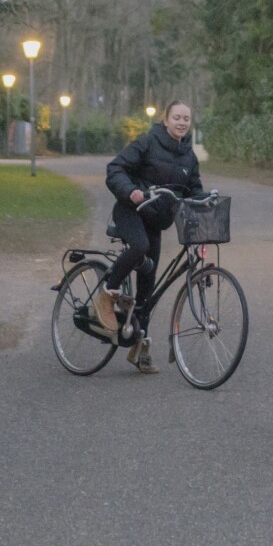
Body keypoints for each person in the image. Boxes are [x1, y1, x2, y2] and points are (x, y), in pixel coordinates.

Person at [100, 100, 206, 372]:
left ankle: (140, 346)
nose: (182, 122)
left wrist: (207, 201)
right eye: (177, 117)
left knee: (148, 288)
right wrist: (130, 191)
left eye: (186, 118)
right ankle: (106, 294)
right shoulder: (148, 142)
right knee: (139, 246)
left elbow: (194, 191)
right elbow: (115, 169)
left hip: (155, 222)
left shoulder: (188, 156)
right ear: (166, 119)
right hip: (130, 211)